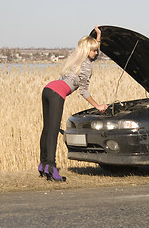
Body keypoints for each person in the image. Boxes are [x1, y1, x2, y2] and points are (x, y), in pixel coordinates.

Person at [38, 26, 107, 182]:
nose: (96, 53)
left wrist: (98, 36)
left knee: (47, 129)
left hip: (48, 89)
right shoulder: (86, 67)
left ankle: (42, 165)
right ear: (88, 50)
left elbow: (89, 49)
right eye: (94, 51)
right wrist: (98, 106)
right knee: (53, 132)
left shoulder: (75, 57)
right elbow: (84, 91)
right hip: (57, 95)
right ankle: (51, 167)